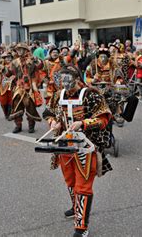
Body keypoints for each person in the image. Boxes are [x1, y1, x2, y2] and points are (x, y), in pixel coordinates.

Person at [43, 66, 112, 237]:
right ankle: (76, 208)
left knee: (83, 186)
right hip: (65, 145)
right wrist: (53, 122)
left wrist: (84, 123)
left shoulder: (91, 94)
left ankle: (81, 227)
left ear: (77, 79)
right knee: (70, 181)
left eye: (68, 81)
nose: (65, 85)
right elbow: (49, 112)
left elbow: (104, 119)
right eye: (62, 81)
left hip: (86, 146)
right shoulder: (58, 95)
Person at [7, 43, 42, 134]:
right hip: (19, 86)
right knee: (16, 105)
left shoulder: (31, 60)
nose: (19, 51)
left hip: (30, 86)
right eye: (18, 49)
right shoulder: (14, 62)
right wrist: (4, 69)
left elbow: (40, 66)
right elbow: (9, 73)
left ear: (26, 50)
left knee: (30, 106)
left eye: (21, 49)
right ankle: (18, 125)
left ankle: (31, 126)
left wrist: (36, 60)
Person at [0, 52, 13, 119]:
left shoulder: (14, 64)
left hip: (12, 84)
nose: (8, 59)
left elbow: (10, 72)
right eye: (6, 57)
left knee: (11, 100)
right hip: (3, 85)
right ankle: (6, 113)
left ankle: (9, 114)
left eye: (9, 57)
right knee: (3, 101)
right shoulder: (0, 64)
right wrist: (1, 55)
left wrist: (4, 68)